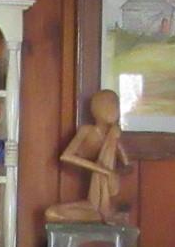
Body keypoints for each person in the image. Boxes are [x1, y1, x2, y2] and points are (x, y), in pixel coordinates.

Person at [45, 89, 133, 225]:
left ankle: (106, 211)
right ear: (96, 109)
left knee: (106, 165)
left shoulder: (112, 135)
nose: (112, 110)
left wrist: (114, 138)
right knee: (51, 213)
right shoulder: (87, 130)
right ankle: (103, 214)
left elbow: (127, 165)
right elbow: (66, 156)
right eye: (106, 105)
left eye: (115, 106)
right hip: (94, 199)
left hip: (107, 192)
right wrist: (102, 170)